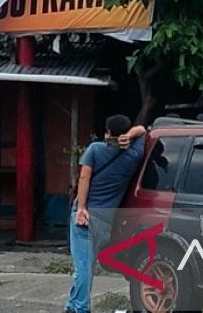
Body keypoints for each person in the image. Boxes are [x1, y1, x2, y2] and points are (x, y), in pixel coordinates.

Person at [65, 115, 148, 313]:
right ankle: (72, 304)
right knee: (88, 264)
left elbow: (85, 176)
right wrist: (130, 135)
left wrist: (82, 207)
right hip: (106, 220)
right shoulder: (134, 155)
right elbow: (143, 129)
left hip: (86, 216)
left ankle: (82, 308)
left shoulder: (95, 149)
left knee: (83, 266)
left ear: (108, 132)